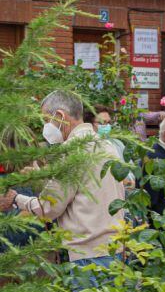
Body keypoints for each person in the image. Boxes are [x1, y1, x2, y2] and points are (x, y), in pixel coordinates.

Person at [11, 91, 124, 269]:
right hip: (115, 248)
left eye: (47, 120)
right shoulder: (105, 144)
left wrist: (15, 199)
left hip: (88, 255)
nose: (45, 127)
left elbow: (48, 207)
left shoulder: (72, 150)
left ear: (60, 116)